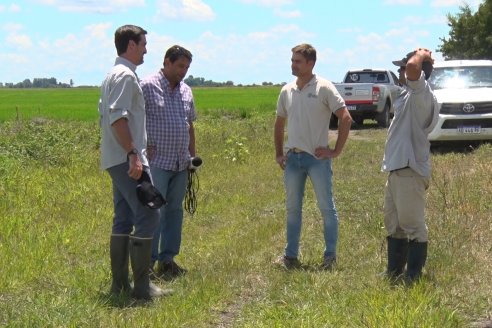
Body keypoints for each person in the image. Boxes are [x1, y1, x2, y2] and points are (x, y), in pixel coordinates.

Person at [98, 24, 170, 300]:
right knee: (149, 213)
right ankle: (142, 288)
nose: (146, 50)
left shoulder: (111, 75)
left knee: (124, 218)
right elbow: (118, 118)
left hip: (116, 158)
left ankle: (120, 286)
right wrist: (132, 153)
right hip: (127, 159)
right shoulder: (126, 76)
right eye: (142, 45)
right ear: (130, 45)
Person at [274, 43, 353, 270]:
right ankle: (290, 256)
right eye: (292, 60)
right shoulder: (287, 90)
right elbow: (279, 122)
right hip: (293, 160)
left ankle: (329, 257)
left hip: (317, 159)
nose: (293, 65)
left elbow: (345, 118)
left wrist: (335, 151)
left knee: (326, 208)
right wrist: (279, 153)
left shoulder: (324, 88)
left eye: (298, 61)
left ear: (311, 63)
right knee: (292, 208)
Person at [382, 48, 439, 283]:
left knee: (414, 226)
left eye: (402, 67)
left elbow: (415, 68)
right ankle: (394, 273)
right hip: (397, 170)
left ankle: (413, 276)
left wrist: (421, 54)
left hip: (410, 170)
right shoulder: (406, 95)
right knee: (394, 224)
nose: (400, 71)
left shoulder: (422, 95)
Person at [140, 45, 196, 279]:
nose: (183, 71)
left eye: (186, 67)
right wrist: (141, 149)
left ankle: (168, 259)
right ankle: (147, 263)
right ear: (167, 62)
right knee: (155, 213)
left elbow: (189, 125)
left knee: (174, 211)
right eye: (180, 66)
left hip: (180, 162)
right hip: (156, 161)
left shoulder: (186, 91)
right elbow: (135, 121)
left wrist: (192, 157)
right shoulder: (147, 86)